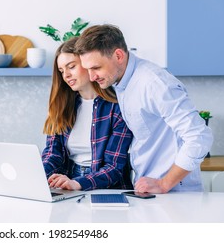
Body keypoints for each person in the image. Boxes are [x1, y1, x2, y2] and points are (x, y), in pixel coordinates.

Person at [75, 24, 213, 193]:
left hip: (175, 193)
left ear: (118, 55)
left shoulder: (154, 83)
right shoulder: (120, 81)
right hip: (147, 188)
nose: (92, 76)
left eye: (96, 68)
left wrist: (164, 184)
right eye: (87, 69)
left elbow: (199, 137)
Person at [41, 37, 133, 191]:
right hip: (67, 182)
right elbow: (53, 154)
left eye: (71, 67)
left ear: (87, 63)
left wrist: (78, 183)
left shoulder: (118, 106)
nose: (66, 75)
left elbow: (114, 167)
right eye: (62, 71)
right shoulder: (62, 106)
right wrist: (37, 176)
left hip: (108, 188)